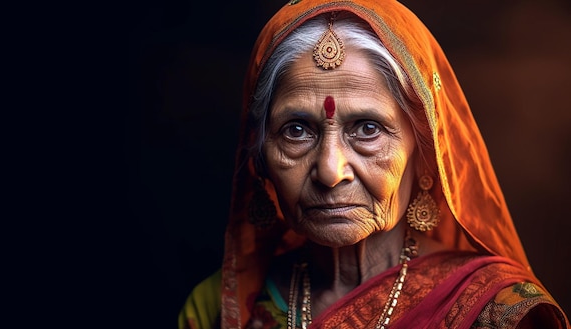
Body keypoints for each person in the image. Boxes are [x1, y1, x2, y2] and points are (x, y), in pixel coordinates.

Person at [178, 0, 570, 328]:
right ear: (259, 155)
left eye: (367, 128)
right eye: (296, 131)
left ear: (423, 154)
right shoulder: (219, 308)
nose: (331, 172)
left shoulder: (495, 310)